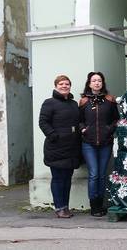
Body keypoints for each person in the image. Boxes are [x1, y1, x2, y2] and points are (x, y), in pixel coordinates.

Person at [39, 75, 81, 218]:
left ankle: (65, 207)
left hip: (71, 148)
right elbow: (43, 122)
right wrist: (54, 136)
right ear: (56, 86)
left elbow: (78, 122)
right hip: (56, 148)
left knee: (67, 179)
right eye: (61, 84)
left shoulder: (74, 104)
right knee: (58, 178)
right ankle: (59, 208)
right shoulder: (49, 103)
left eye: (67, 84)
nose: (64, 86)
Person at [79, 72, 119, 217]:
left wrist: (109, 129)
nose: (97, 83)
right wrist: (83, 129)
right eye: (94, 80)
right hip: (88, 143)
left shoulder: (110, 100)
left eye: (99, 81)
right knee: (94, 174)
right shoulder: (83, 101)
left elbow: (116, 119)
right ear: (89, 83)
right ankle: (94, 206)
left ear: (102, 83)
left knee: (102, 175)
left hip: (105, 143)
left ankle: (101, 204)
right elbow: (79, 120)